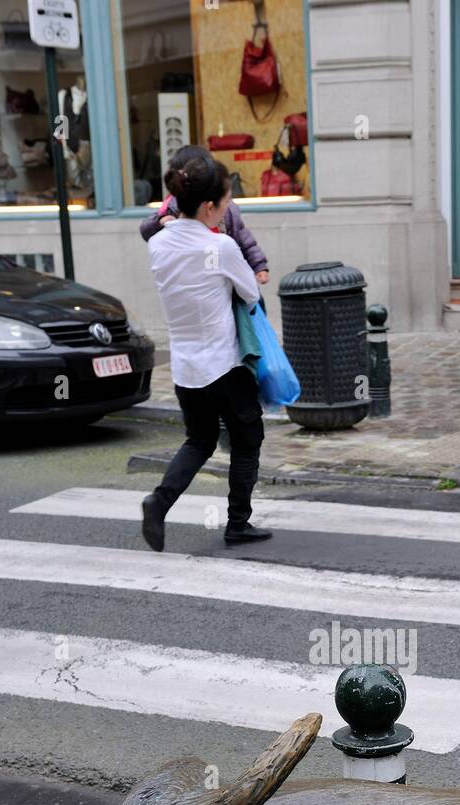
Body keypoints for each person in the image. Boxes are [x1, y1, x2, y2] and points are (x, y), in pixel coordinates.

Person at [141, 157, 272, 552]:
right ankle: (238, 524)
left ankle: (158, 502)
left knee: (199, 441)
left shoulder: (159, 244)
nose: (230, 206)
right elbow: (251, 293)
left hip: (186, 369)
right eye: (227, 200)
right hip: (225, 365)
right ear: (210, 208)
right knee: (248, 438)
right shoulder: (221, 245)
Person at [139, 144, 270, 289]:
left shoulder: (226, 206)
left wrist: (258, 265)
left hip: (229, 275)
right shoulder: (174, 206)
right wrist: (159, 221)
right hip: (198, 277)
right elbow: (146, 230)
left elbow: (244, 238)